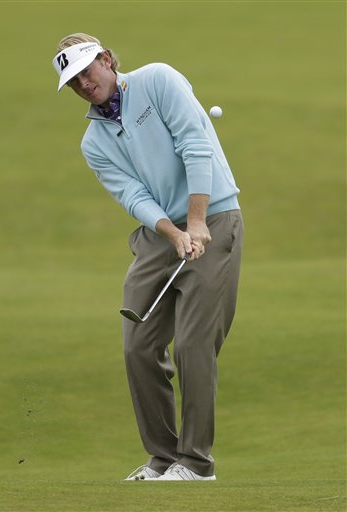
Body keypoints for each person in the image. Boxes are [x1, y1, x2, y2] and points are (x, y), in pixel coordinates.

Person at [52, 33, 244, 481]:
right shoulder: (93, 142)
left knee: (195, 345)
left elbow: (195, 145)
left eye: (86, 71)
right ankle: (164, 457)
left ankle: (196, 463)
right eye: (73, 81)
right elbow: (133, 195)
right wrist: (173, 232)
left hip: (212, 218)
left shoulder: (158, 80)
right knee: (137, 345)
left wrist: (196, 223)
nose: (83, 83)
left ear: (105, 59)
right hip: (160, 235)